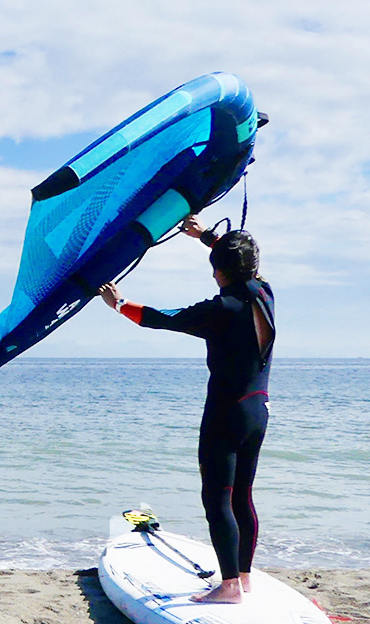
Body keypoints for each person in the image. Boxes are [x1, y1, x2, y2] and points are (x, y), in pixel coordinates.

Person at [96, 215, 275, 604]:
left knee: (217, 500)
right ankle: (242, 578)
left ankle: (228, 588)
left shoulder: (223, 309)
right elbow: (239, 263)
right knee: (242, 495)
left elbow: (164, 319)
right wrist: (206, 237)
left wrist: (119, 303)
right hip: (257, 411)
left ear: (219, 272)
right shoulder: (264, 293)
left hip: (226, 414)